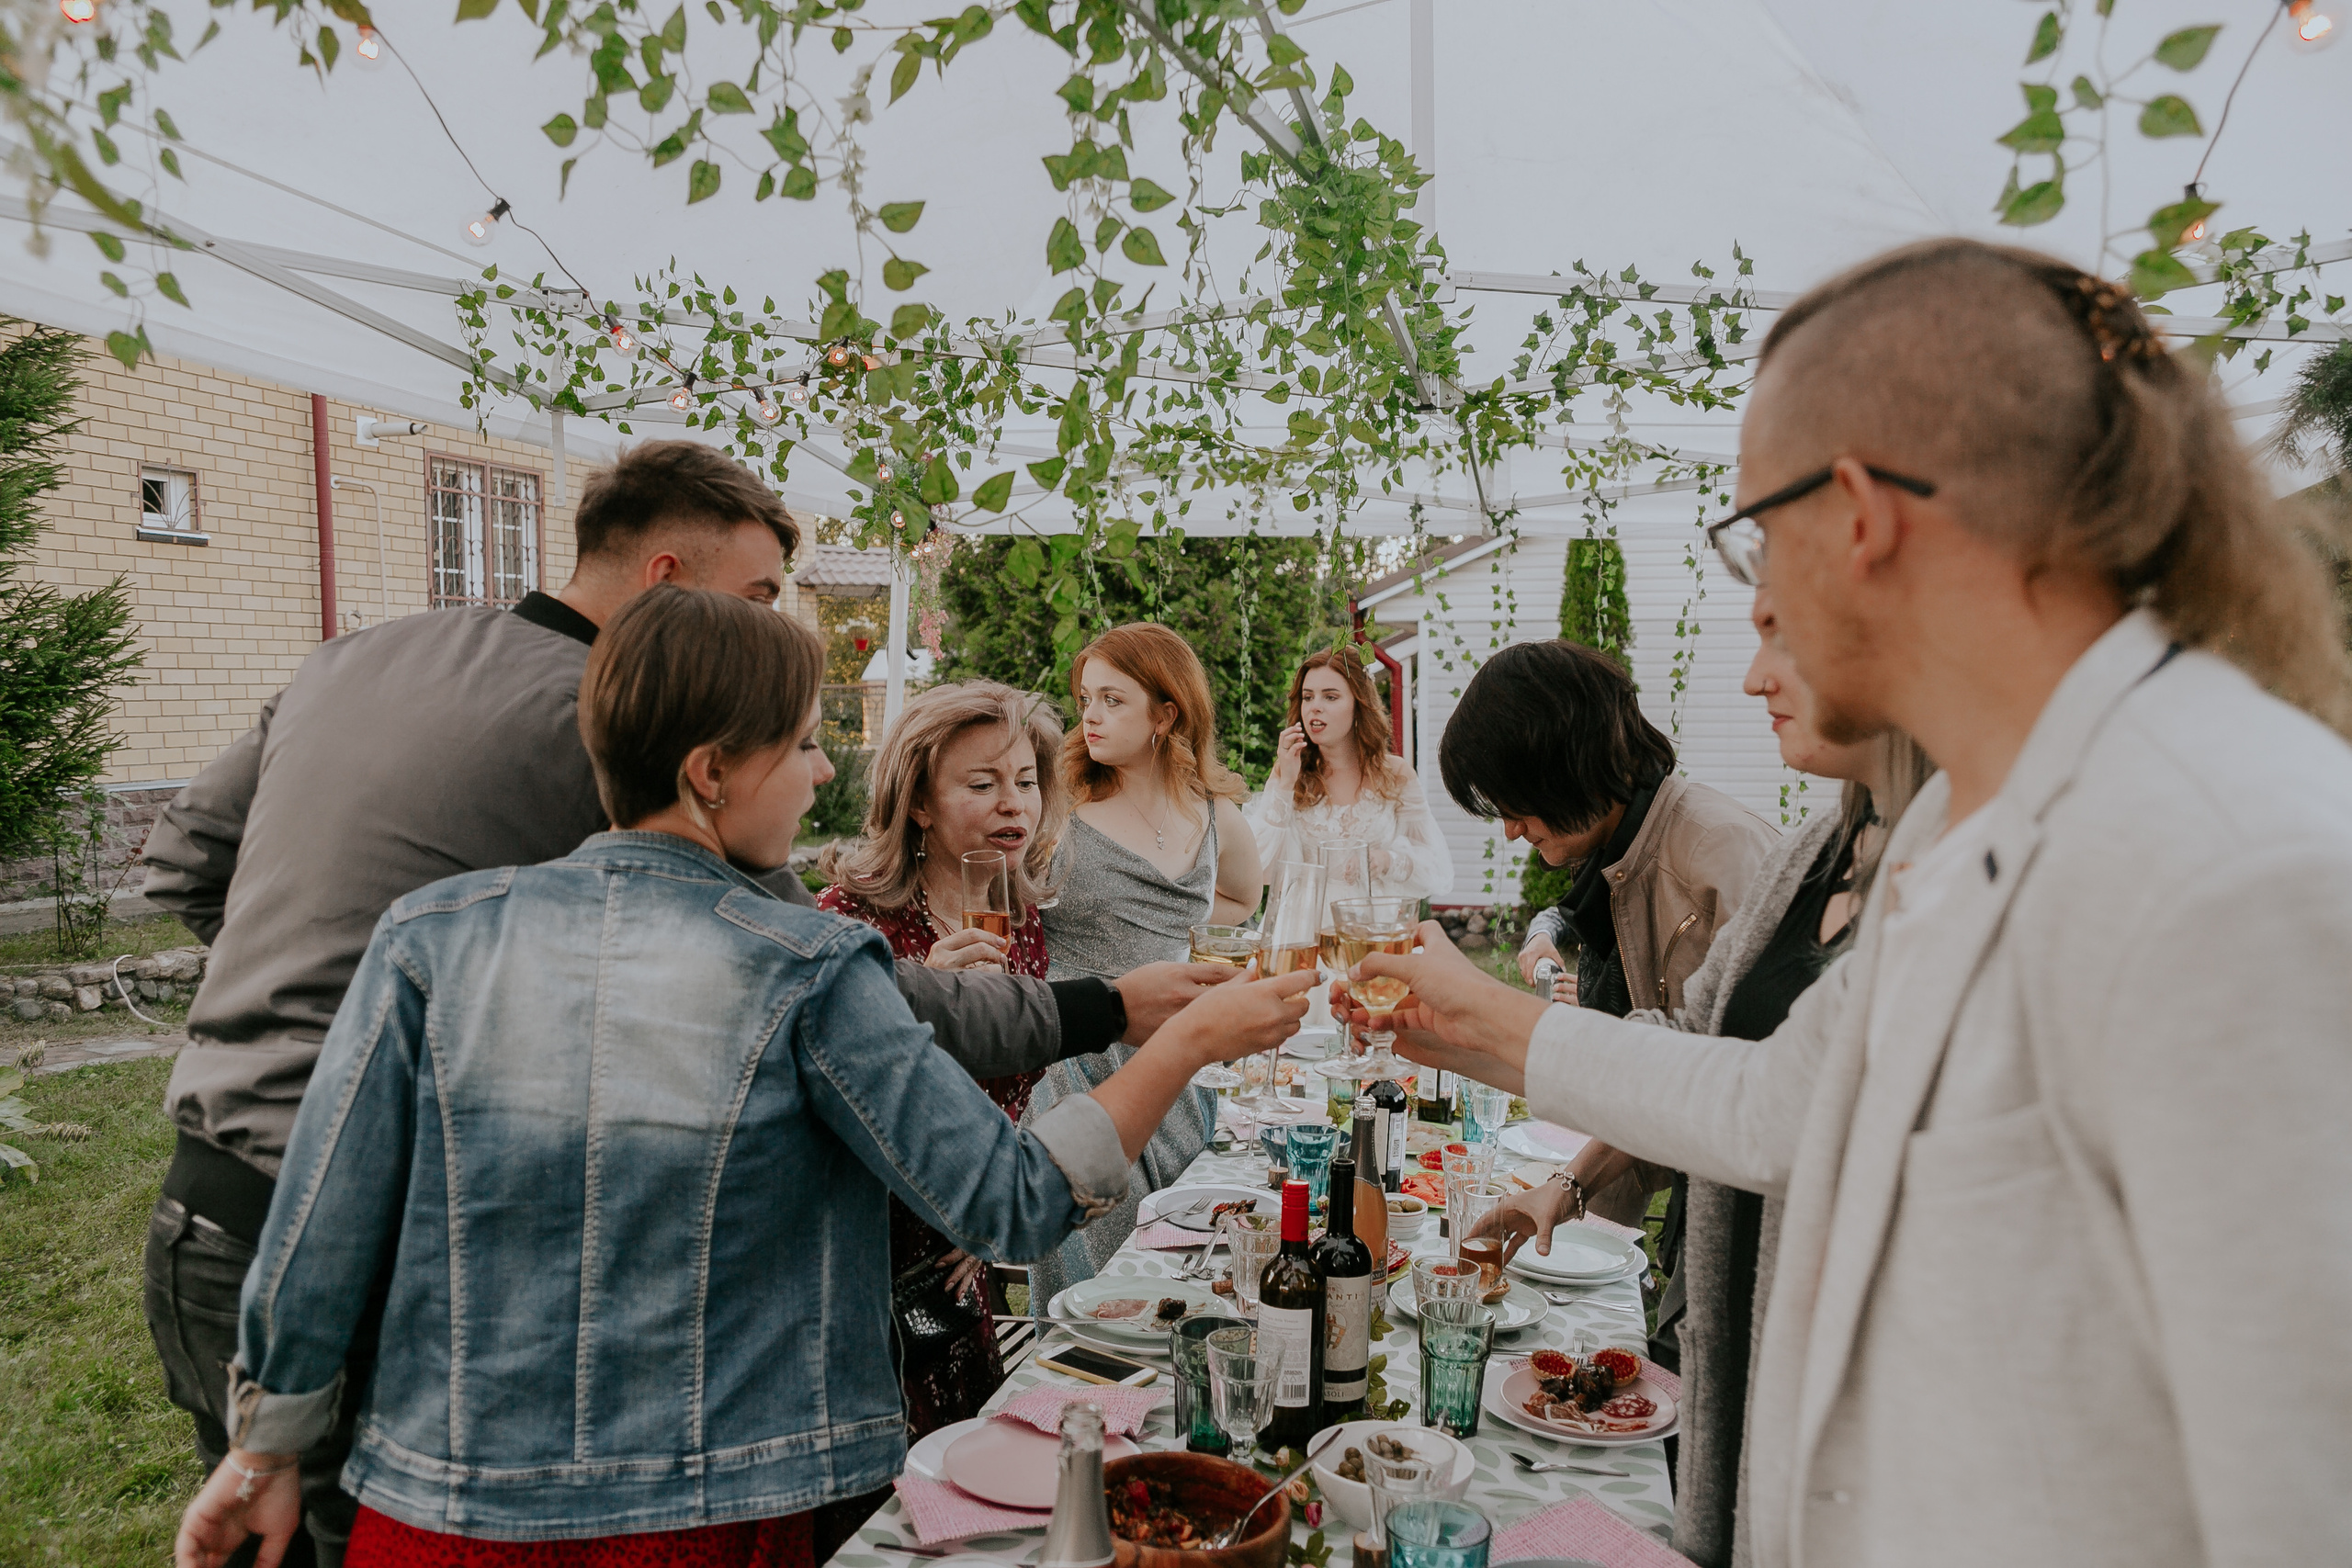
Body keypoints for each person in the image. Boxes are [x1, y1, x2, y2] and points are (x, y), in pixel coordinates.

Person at [1347, 239, 2352, 1568]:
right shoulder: (1953, 819)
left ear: (1862, 514)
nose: (1758, 609)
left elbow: (2302, 1504)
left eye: (1760, 534)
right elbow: (1774, 1104)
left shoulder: (2239, 866)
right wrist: (1475, 1023)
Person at [137, 441, 1224, 1568]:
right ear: (708, 767)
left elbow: (318, 1208)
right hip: (703, 1501)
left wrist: (263, 1445)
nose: (822, 776)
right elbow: (1007, 1195)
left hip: (428, 1481)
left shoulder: (420, 927)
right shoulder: (800, 959)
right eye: (803, 744)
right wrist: (1177, 1037)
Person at [1474, 587, 1934, 1568]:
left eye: (1783, 637)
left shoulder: (1733, 849)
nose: (1754, 677)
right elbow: (1684, 1049)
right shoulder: (1805, 851)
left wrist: (1470, 1019)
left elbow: (1744, 1089)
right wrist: (1564, 1187)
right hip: (1728, 1269)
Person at [1442, 638, 1775, 1230]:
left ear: (1569, 765)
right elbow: (1646, 1077)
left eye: (1516, 805)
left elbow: (1722, 1081)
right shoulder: (1620, 853)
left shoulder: (1719, 855)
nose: (1512, 831)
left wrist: (1471, 1008)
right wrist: (1571, 1188)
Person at [815, 681, 1069, 1438]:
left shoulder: (1019, 915)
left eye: (1025, 781)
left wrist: (983, 1197)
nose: (1013, 804)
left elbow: (1013, 1088)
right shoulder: (852, 920)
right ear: (920, 803)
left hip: (957, 1254)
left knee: (966, 1458)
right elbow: (829, 1094)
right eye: (982, 784)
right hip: (866, 1250)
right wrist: (920, 999)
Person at [1028, 622, 1265, 1299]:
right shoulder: (1057, 806)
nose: (1091, 716)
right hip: (1074, 1060)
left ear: (1166, 714)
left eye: (1113, 700)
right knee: (1096, 1266)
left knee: (1186, 1254)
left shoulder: (1215, 814)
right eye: (1086, 699)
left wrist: (1172, 934)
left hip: (1177, 1054)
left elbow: (1242, 897)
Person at [1246, 645, 1454, 901]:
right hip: (1306, 920)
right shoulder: (1290, 772)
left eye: (1330, 697)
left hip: (1373, 920)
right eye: (1308, 697)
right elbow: (1258, 868)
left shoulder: (1395, 773)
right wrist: (1286, 784)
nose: (1315, 707)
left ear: (1359, 704)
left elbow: (1434, 864)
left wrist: (1386, 861)